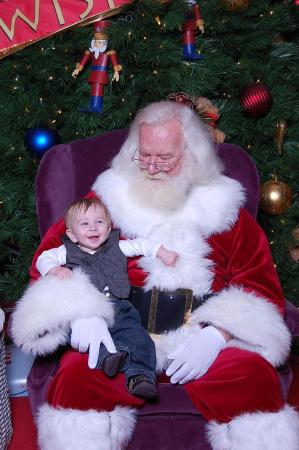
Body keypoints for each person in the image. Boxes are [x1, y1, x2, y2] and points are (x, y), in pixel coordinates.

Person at [12, 101, 299, 450]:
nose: (151, 167)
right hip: (122, 328)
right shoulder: (107, 198)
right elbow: (52, 256)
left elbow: (259, 283)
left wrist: (220, 334)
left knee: (254, 381)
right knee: (75, 379)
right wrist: (81, 312)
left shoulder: (224, 209)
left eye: (164, 157)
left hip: (201, 336)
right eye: (143, 155)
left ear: (191, 153)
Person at [35, 197, 178, 400]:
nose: (93, 228)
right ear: (72, 234)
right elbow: (43, 258)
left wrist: (162, 252)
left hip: (118, 305)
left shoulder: (116, 246)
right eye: (84, 224)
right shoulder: (65, 251)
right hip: (86, 309)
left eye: (99, 222)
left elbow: (140, 245)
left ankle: (140, 377)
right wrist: (54, 269)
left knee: (137, 336)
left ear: (109, 227)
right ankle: (108, 358)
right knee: (81, 336)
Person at [72, 20, 122, 113]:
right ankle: (94, 106)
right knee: (94, 89)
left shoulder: (108, 53)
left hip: (101, 74)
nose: (97, 44)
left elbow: (115, 62)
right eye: (96, 41)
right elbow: (85, 59)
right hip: (94, 73)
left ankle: (96, 107)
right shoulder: (92, 52)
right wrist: (78, 69)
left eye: (100, 42)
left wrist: (116, 71)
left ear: (105, 43)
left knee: (97, 88)